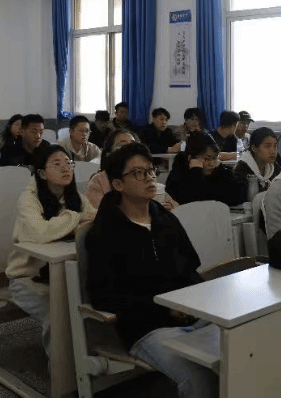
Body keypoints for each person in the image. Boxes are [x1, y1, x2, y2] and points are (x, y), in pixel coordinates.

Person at [86, 142, 219, 398]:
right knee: (198, 374)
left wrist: (193, 304)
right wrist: (165, 307)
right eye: (138, 173)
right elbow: (104, 296)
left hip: (193, 317)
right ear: (118, 184)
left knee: (237, 353)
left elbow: (190, 269)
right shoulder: (106, 232)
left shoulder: (166, 219)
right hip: (147, 329)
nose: (149, 178)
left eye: (150, 171)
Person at [5, 145, 97, 355]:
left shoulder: (76, 196)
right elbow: (40, 232)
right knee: (57, 314)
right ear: (42, 173)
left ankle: (86, 357)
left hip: (67, 274)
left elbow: (94, 219)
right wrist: (75, 218)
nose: (66, 168)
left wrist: (79, 222)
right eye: (57, 164)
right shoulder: (28, 199)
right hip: (28, 278)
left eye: (68, 163)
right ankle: (61, 367)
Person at [87, 129, 178, 210]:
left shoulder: (147, 176)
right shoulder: (99, 180)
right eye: (121, 145)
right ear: (109, 154)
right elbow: (96, 214)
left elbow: (174, 205)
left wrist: (170, 206)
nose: (129, 148)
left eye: (133, 144)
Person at [165, 132, 245, 207]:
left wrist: (221, 171)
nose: (212, 164)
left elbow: (238, 198)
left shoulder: (218, 171)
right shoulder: (178, 176)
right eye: (207, 159)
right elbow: (197, 202)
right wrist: (196, 172)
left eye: (215, 158)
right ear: (191, 158)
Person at [233, 127, 281, 194]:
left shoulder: (274, 167)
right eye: (267, 146)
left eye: (275, 146)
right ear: (254, 148)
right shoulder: (241, 170)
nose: (273, 151)